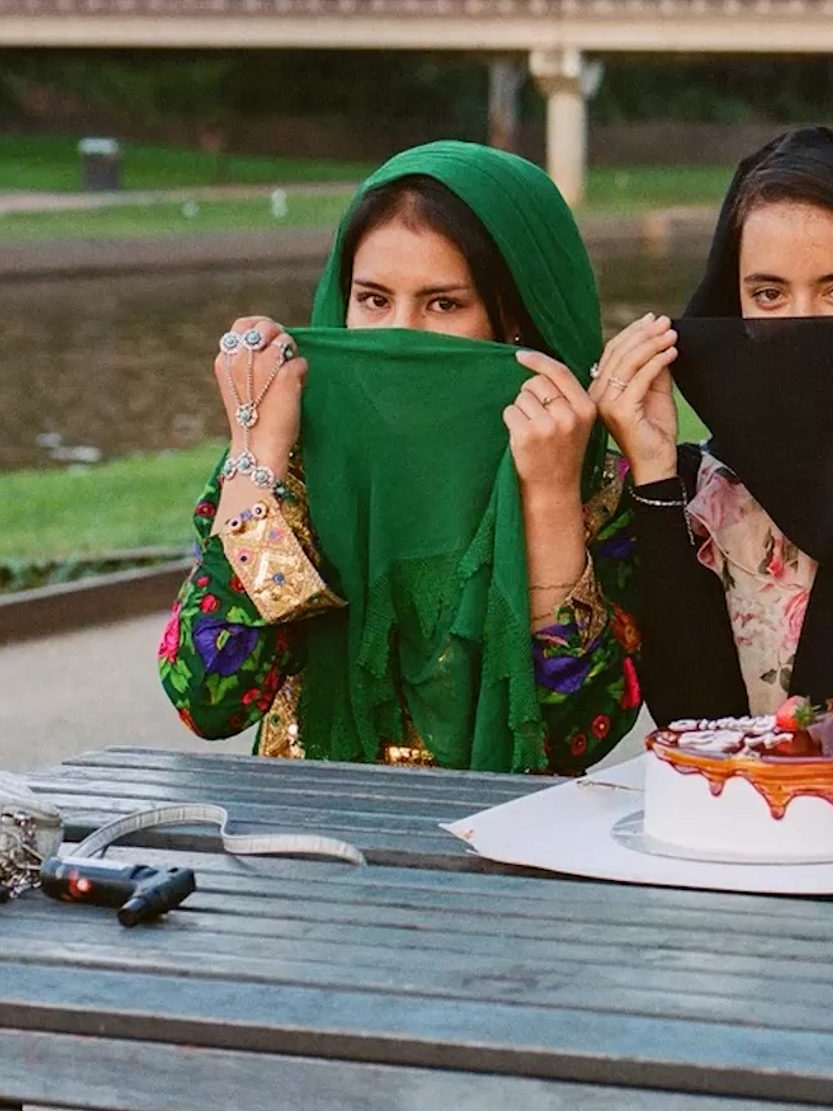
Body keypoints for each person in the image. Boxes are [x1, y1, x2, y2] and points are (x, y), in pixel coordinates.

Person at [158, 142, 643, 775]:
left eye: (444, 304)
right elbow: (208, 698)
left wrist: (548, 502)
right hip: (308, 846)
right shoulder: (293, 459)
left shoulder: (589, 478)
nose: (399, 335)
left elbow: (578, 734)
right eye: (373, 300)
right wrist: (257, 456)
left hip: (511, 847)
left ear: (517, 318)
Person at [595, 127, 833, 723]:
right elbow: (693, 724)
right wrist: (653, 474)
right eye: (769, 294)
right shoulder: (703, 495)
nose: (803, 328)